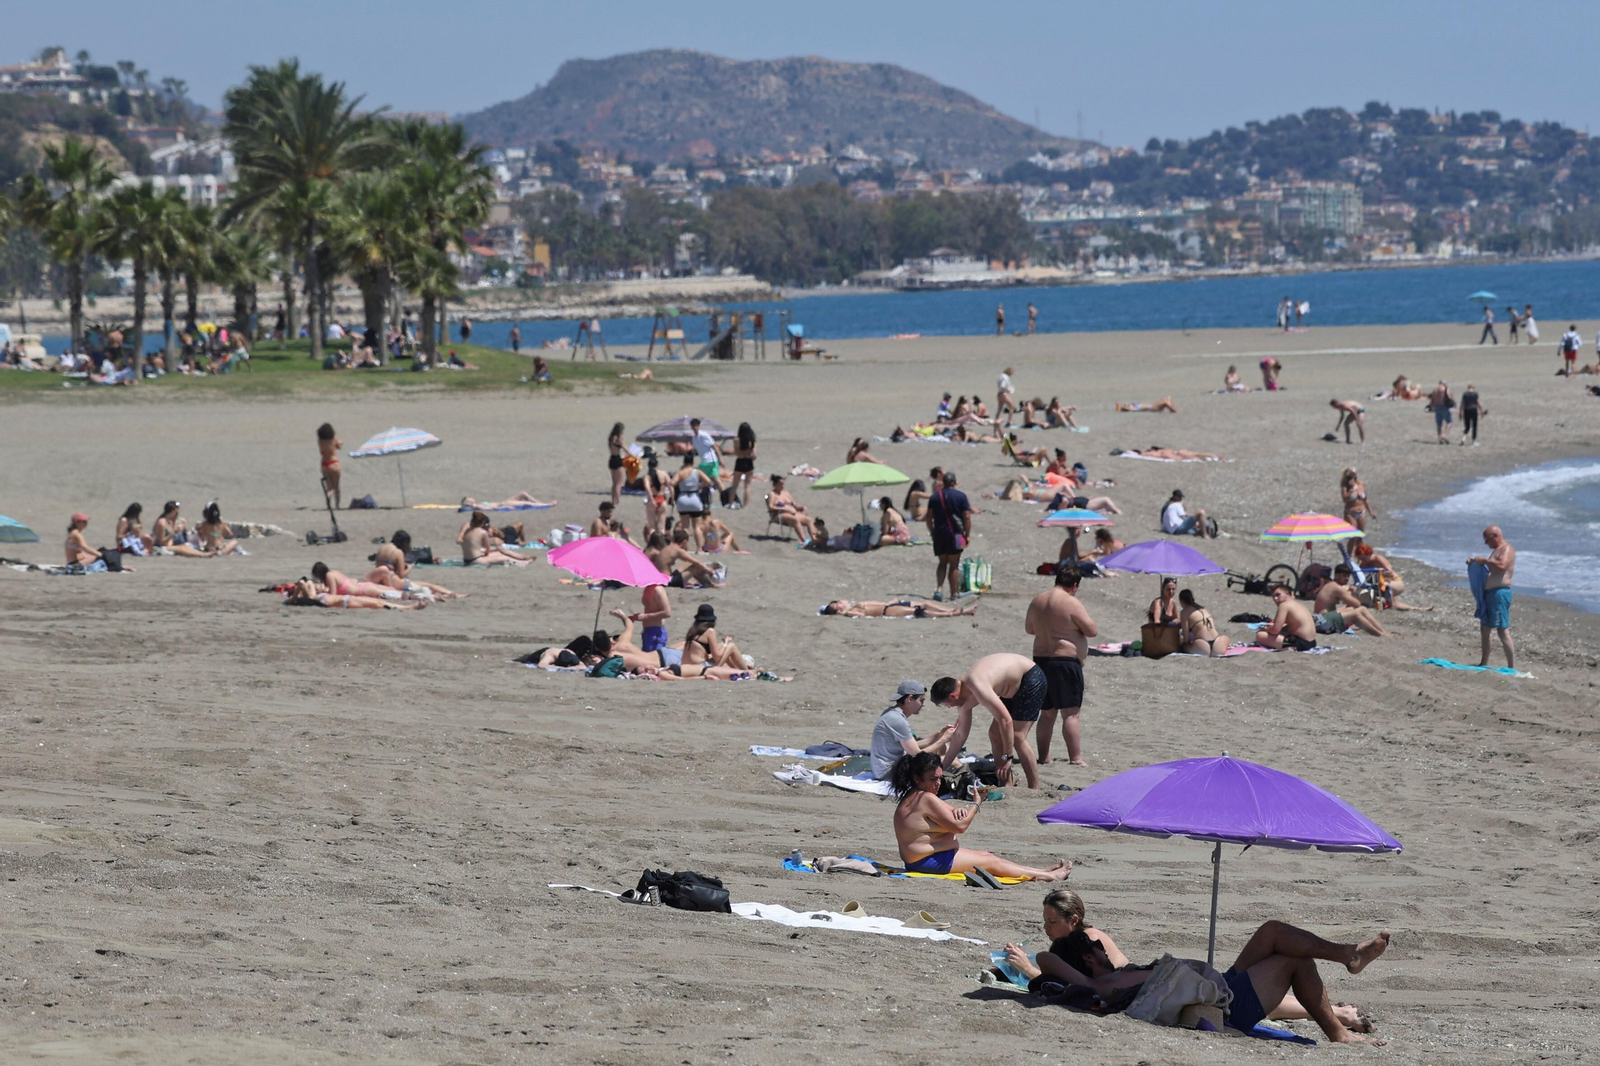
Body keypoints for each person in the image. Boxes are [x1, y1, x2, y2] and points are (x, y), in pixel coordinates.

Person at [1009, 901, 1389, 1044]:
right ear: (1091, 959)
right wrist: (1031, 967)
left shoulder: (1118, 971)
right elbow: (1048, 959)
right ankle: (1338, 1033)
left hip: (1217, 986)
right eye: (1098, 949)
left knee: (1272, 930)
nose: (1104, 948)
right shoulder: (1100, 983)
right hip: (1225, 1008)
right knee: (1295, 962)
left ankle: (1348, 956)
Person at [891, 752, 1071, 880]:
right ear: (917, 778)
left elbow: (946, 810)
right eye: (933, 779)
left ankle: (1040, 871)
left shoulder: (914, 796)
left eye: (940, 778)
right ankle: (1048, 876)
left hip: (924, 859)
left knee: (986, 855)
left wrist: (956, 810)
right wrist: (977, 803)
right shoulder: (926, 798)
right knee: (990, 861)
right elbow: (960, 827)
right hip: (928, 862)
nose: (938, 783)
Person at [931, 652, 1046, 789]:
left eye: (947, 705)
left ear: (953, 696)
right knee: (994, 734)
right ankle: (1006, 784)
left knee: (1017, 736)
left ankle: (1034, 788)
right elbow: (960, 735)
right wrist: (942, 768)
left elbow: (1006, 721)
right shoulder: (964, 700)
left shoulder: (977, 685)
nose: (949, 707)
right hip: (1011, 687)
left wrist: (1008, 757)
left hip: (1030, 678)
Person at [1026, 564, 1096, 767]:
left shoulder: (1038, 600)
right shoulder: (1071, 602)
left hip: (1041, 660)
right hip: (1064, 662)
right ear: (1074, 586)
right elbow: (1091, 630)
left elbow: (1029, 628)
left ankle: (1043, 757)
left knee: (1047, 714)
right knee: (1071, 713)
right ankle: (1076, 758)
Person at [872, 681, 957, 780]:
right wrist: (944, 739)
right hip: (888, 773)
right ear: (910, 699)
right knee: (950, 760)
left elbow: (913, 745)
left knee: (942, 750)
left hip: (884, 769)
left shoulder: (892, 714)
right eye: (921, 700)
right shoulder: (897, 720)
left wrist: (940, 735)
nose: (923, 705)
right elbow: (918, 755)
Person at [1469, 525, 1516, 668]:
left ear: (1495, 536)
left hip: (1499, 593)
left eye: (1486, 540)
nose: (1486, 543)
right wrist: (1474, 565)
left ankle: (1511, 666)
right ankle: (1483, 662)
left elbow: (1501, 566)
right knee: (1485, 628)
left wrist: (1483, 560)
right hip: (1490, 594)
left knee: (1502, 630)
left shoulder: (1506, 549)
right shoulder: (1496, 550)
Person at [368, 531, 463, 599]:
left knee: (423, 587)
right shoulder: (398, 552)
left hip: (380, 581)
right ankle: (453, 594)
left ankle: (447, 594)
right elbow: (402, 575)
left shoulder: (383, 547)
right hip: (393, 581)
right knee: (429, 585)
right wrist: (410, 567)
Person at [926, 471, 973, 601]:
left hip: (939, 533)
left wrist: (932, 532)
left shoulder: (935, 497)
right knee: (954, 564)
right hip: (957, 535)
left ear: (943, 483)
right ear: (955, 482)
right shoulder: (961, 496)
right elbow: (967, 517)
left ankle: (939, 590)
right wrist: (967, 535)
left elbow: (929, 517)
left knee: (942, 563)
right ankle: (954, 593)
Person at [1348, 538, 1430, 611]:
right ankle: (1419, 609)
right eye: (1360, 559)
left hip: (1394, 582)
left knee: (1385, 586)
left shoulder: (1378, 559)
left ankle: (1390, 606)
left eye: (1364, 558)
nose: (1363, 561)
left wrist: (1378, 574)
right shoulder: (1363, 564)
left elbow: (1389, 573)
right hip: (1380, 585)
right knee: (1396, 603)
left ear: (1369, 554)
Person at [1312, 566, 1390, 636]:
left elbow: (1352, 605)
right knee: (1356, 614)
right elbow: (1356, 604)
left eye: (1348, 576)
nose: (1347, 578)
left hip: (1323, 618)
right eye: (1344, 576)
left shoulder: (1331, 585)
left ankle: (1383, 631)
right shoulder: (1336, 588)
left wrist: (1348, 592)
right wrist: (1353, 593)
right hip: (1322, 621)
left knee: (1361, 609)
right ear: (1337, 575)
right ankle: (1379, 634)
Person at [287, 578, 421, 610]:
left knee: (378, 603)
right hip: (347, 602)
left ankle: (408, 607)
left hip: (348, 599)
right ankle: (408, 608)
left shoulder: (315, 597)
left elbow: (305, 584)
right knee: (377, 604)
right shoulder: (313, 598)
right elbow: (302, 583)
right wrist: (292, 598)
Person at [1255, 584, 1318, 651]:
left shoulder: (1284, 605)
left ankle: (1289, 646)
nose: (1275, 599)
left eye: (1278, 595)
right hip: (1312, 643)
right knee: (1282, 631)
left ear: (1287, 594)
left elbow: (1275, 630)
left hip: (1300, 644)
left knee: (1260, 635)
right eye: (1273, 597)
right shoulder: (1298, 604)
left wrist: (1265, 629)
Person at [459, 511, 532, 565]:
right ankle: (524, 561)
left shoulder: (468, 530)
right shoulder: (482, 532)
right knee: (505, 558)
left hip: (467, 559)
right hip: (476, 560)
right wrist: (485, 553)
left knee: (500, 552)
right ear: (482, 523)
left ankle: (523, 557)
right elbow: (488, 550)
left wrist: (482, 551)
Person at [1178, 588, 1231, 656]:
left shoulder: (1184, 612)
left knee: (1184, 645)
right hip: (1218, 645)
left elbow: (1186, 639)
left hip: (1202, 646)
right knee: (1225, 638)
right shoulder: (1203, 609)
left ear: (1181, 601)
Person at [767, 474, 818, 544]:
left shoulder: (786, 493)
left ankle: (815, 540)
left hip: (792, 513)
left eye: (783, 484)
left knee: (809, 520)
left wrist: (802, 507)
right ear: (775, 484)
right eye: (780, 484)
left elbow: (795, 506)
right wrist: (784, 509)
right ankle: (804, 541)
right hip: (779, 514)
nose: (782, 486)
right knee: (795, 520)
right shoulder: (772, 494)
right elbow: (771, 506)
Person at [672, 452, 708, 550]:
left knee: (685, 527)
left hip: (683, 498)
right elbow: (708, 481)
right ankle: (699, 549)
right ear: (693, 461)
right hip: (694, 498)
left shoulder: (680, 472)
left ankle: (686, 549)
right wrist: (700, 486)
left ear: (684, 461)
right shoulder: (697, 471)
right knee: (697, 526)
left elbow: (672, 483)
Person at [820, 598, 978, 618]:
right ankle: (959, 613)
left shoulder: (854, 604)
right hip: (888, 611)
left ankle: (951, 610)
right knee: (920, 611)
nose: (840, 602)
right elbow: (861, 616)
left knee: (924, 603)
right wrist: (845, 612)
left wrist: (890, 601)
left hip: (889, 605)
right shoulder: (851, 611)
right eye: (837, 605)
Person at [727, 422, 757, 509]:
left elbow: (736, 453)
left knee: (735, 485)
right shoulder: (752, 440)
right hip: (749, 462)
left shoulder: (736, 440)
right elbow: (754, 455)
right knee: (747, 485)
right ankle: (746, 505)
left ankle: (730, 503)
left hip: (740, 461)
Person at [1340, 467, 1376, 532]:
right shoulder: (1345, 487)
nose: (1354, 475)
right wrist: (1351, 490)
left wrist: (1371, 512)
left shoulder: (1361, 484)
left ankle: (1360, 542)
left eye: (1355, 473)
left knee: (1361, 534)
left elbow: (1365, 500)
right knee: (1353, 535)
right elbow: (1345, 500)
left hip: (1362, 512)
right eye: (1352, 474)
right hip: (1350, 512)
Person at [317, 423, 342, 508]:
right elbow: (339, 446)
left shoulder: (320, 441)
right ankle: (337, 506)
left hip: (324, 464)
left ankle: (328, 502)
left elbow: (321, 452)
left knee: (329, 488)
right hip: (334, 463)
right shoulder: (333, 439)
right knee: (336, 487)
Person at [690, 418, 721, 482]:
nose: (695, 427)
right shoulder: (694, 438)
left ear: (699, 426)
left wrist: (720, 459)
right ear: (691, 427)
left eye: (696, 425)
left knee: (700, 479)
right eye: (693, 426)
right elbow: (695, 450)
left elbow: (714, 446)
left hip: (710, 461)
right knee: (716, 482)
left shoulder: (704, 435)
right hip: (705, 461)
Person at [607, 422, 626, 507]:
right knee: (619, 483)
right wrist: (634, 456)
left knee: (614, 483)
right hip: (618, 460)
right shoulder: (618, 440)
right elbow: (626, 449)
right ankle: (617, 501)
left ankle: (613, 500)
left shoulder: (610, 439)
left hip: (611, 459)